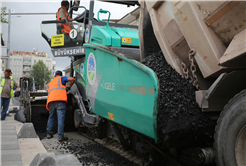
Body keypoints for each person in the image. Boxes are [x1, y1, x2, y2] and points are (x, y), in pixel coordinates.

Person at [46, 70, 75, 141]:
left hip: (51, 101)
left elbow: (48, 90)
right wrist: (69, 86)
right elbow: (72, 79)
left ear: (55, 76)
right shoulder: (61, 78)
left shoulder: (51, 82)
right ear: (61, 75)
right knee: (60, 118)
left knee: (51, 117)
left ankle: (49, 133)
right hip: (60, 101)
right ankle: (60, 136)